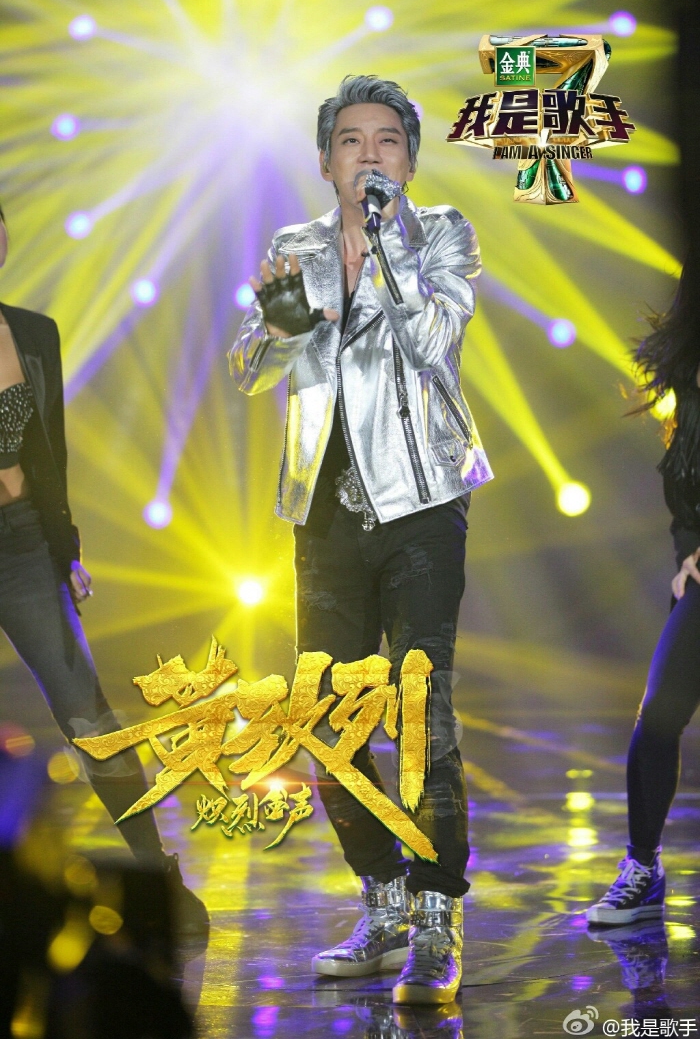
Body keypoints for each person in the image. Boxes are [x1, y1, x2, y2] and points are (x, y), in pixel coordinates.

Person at [229, 75, 492, 1003]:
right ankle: (382, 900)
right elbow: (248, 368)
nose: (368, 154)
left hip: (420, 505)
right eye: (351, 140)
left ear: (408, 162)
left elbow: (435, 342)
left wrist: (384, 247)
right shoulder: (294, 248)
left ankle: (436, 917)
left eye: (387, 141)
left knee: (420, 717)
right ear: (325, 160)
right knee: (328, 728)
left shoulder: (441, 234)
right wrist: (281, 325)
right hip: (325, 515)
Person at [0, 204, 208, 936]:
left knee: (90, 717)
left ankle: (156, 875)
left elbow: (48, 453)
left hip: (25, 544)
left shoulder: (33, 333)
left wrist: (66, 549)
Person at [587, 254, 700, 925]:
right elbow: (682, 480)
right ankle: (643, 867)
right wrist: (687, 554)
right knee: (658, 715)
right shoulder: (689, 375)